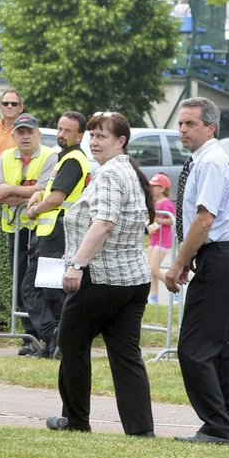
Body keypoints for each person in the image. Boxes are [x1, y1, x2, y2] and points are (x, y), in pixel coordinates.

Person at [47, 111, 156, 437]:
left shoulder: (110, 174)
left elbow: (104, 223)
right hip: (133, 280)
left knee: (71, 343)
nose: (94, 141)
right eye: (92, 135)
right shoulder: (128, 171)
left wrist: (77, 265)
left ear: (120, 141)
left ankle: (76, 420)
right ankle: (140, 430)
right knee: (126, 356)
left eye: (101, 136)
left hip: (102, 277)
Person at [165, 97, 229, 444]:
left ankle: (217, 426)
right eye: (181, 123)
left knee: (195, 348)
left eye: (190, 124)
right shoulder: (207, 160)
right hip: (226, 259)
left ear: (210, 128)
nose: (182, 129)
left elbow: (204, 219)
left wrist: (180, 262)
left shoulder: (212, 162)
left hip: (221, 258)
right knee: (224, 349)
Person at [23, 111, 90, 357]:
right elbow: (52, 191)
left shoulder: (73, 159)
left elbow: (58, 198)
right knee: (35, 289)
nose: (61, 134)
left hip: (58, 232)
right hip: (52, 232)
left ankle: (58, 341)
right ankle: (54, 339)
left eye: (68, 131)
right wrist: (39, 195)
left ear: (80, 135)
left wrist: (35, 210)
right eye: (60, 129)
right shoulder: (65, 158)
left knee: (48, 291)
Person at [0, 113, 57, 354]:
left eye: (30, 132)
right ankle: (30, 338)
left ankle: (48, 335)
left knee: (39, 284)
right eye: (20, 132)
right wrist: (25, 193)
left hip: (41, 228)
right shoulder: (6, 158)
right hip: (15, 228)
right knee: (20, 284)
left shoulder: (50, 156)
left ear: (38, 134)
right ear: (14, 136)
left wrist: (12, 191)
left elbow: (45, 189)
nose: (25, 136)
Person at [145, 173, 176, 304]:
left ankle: (175, 286)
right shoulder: (153, 202)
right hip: (153, 238)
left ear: (162, 188)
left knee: (153, 269)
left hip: (163, 239)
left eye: (155, 186)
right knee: (149, 269)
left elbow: (171, 220)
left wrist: (158, 220)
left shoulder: (167, 203)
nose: (151, 189)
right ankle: (153, 296)